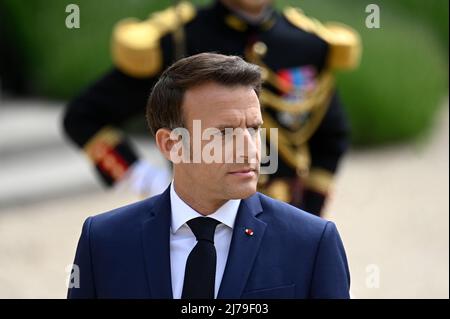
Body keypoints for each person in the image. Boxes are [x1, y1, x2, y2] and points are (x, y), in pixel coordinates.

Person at [67, 53, 350, 299]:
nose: (250, 151)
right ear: (171, 144)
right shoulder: (103, 242)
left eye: (253, 129)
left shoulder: (311, 243)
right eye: (224, 133)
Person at [62, 0, 361, 216]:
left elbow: (331, 135)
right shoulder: (179, 39)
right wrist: (145, 179)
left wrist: (308, 209)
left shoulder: (307, 42)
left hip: (281, 213)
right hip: (197, 217)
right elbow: (84, 116)